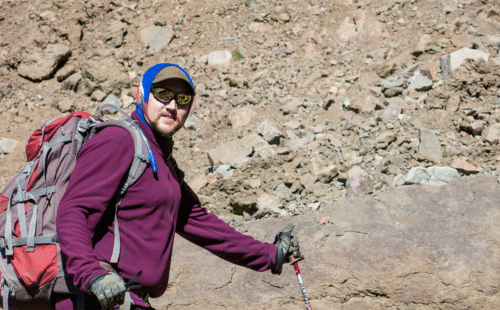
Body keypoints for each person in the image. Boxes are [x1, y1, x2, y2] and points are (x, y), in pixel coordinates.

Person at [55, 63, 302, 310]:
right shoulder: (117, 141)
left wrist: (271, 254)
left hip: (131, 300)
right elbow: (73, 211)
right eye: (162, 94)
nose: (172, 106)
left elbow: (202, 224)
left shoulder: (163, 161)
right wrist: (92, 275)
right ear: (142, 95)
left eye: (182, 99)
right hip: (96, 299)